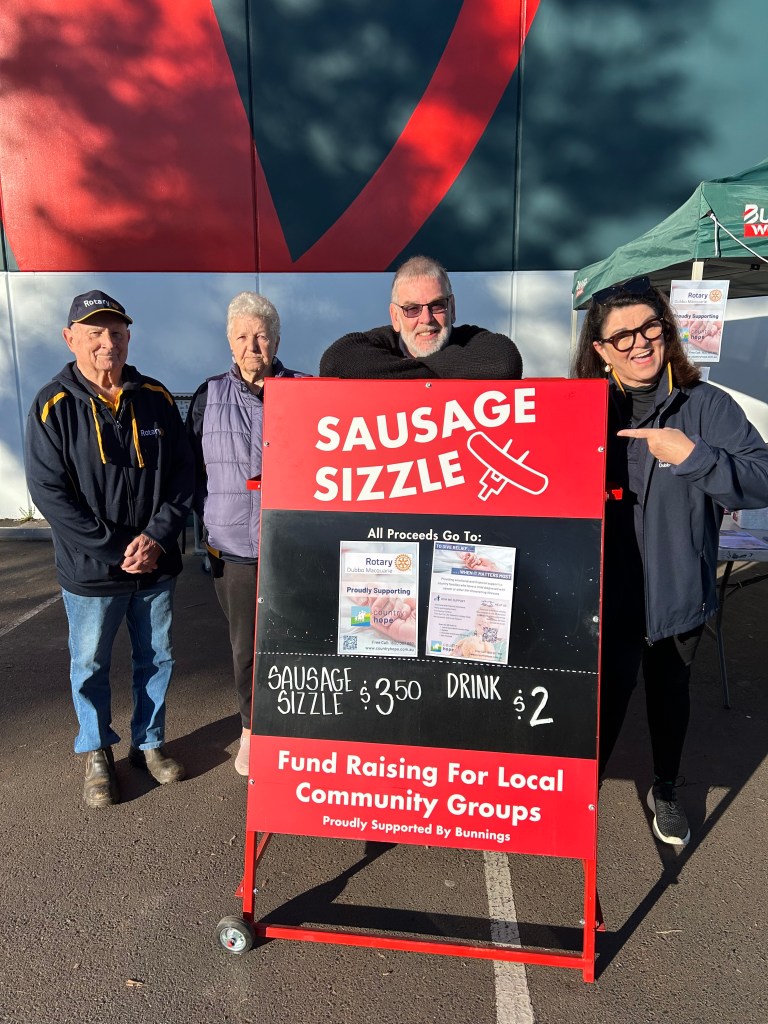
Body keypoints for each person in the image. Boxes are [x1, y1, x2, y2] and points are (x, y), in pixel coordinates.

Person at [572, 276, 768, 846]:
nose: (640, 343)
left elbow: (762, 478)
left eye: (649, 327)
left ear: (667, 330)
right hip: (602, 596)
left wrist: (695, 456)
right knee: (601, 700)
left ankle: (665, 786)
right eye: (623, 335)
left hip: (676, 592)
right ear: (601, 349)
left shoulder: (705, 406)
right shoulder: (582, 409)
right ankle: (578, 792)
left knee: (668, 696)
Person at [24, 290, 194, 808]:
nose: (107, 343)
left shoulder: (155, 397)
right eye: (94, 333)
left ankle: (149, 743)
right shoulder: (52, 405)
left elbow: (184, 474)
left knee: (157, 657)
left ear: (128, 337)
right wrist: (117, 547)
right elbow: (49, 493)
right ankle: (97, 752)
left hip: (154, 565)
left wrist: (157, 537)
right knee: (91, 664)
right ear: (69, 338)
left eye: (116, 332)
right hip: (92, 569)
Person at [186, 293, 309, 776]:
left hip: (294, 547)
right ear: (229, 342)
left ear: (276, 340)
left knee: (300, 640)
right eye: (242, 336)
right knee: (246, 649)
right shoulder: (208, 396)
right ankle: (251, 729)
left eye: (261, 335)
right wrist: (209, 523)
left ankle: (298, 725)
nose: (252, 346)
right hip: (234, 549)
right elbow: (190, 472)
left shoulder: (307, 391)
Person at [319, 255, 523, 379]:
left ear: (452, 308)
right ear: (395, 317)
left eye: (437, 305)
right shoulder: (380, 343)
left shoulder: (470, 340)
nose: (426, 318)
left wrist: (405, 371)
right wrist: (437, 372)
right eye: (412, 309)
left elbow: (505, 363)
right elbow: (334, 362)